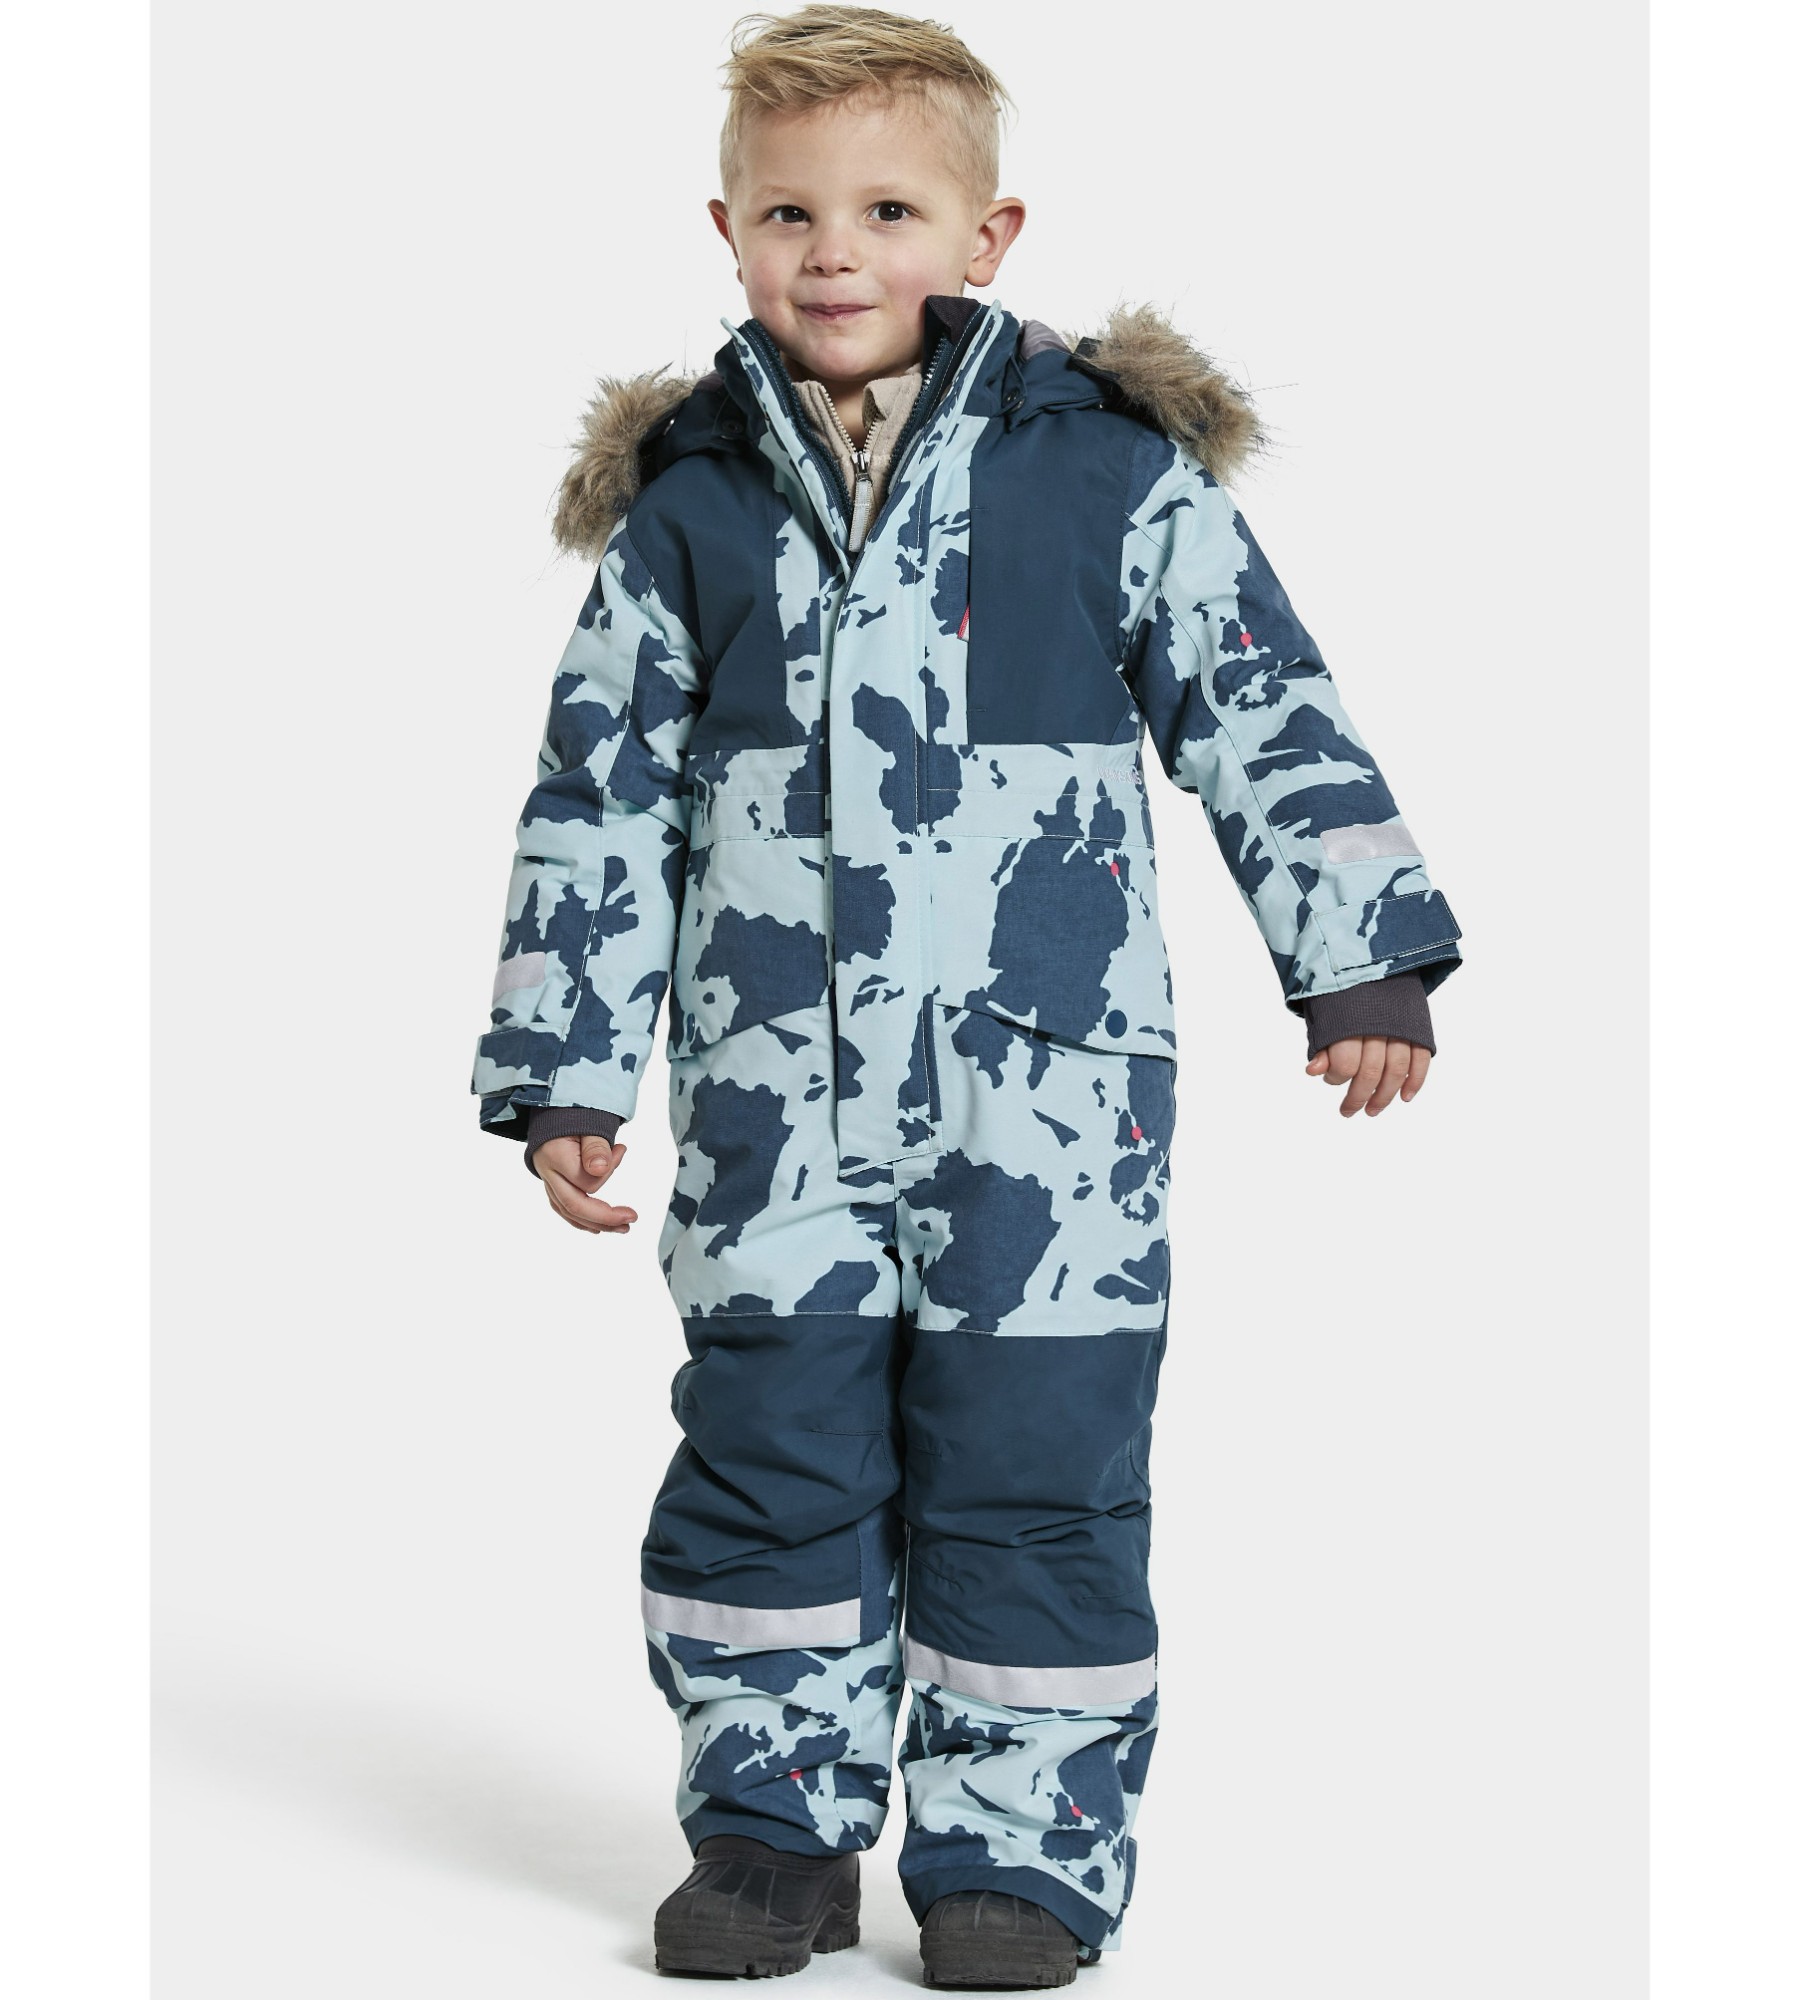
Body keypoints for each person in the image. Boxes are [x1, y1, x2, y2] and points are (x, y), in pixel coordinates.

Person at [470, 5, 1463, 1986]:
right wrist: (568, 1066)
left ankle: (1020, 1850)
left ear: (988, 235)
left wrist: (1359, 952)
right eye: (789, 214)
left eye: (888, 211)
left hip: (1054, 1109)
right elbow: (599, 797)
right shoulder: (691, 509)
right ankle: (770, 1833)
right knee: (769, 1461)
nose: (836, 252)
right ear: (728, 233)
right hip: (771, 1111)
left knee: (1037, 1471)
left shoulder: (1102, 473)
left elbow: (1260, 704)